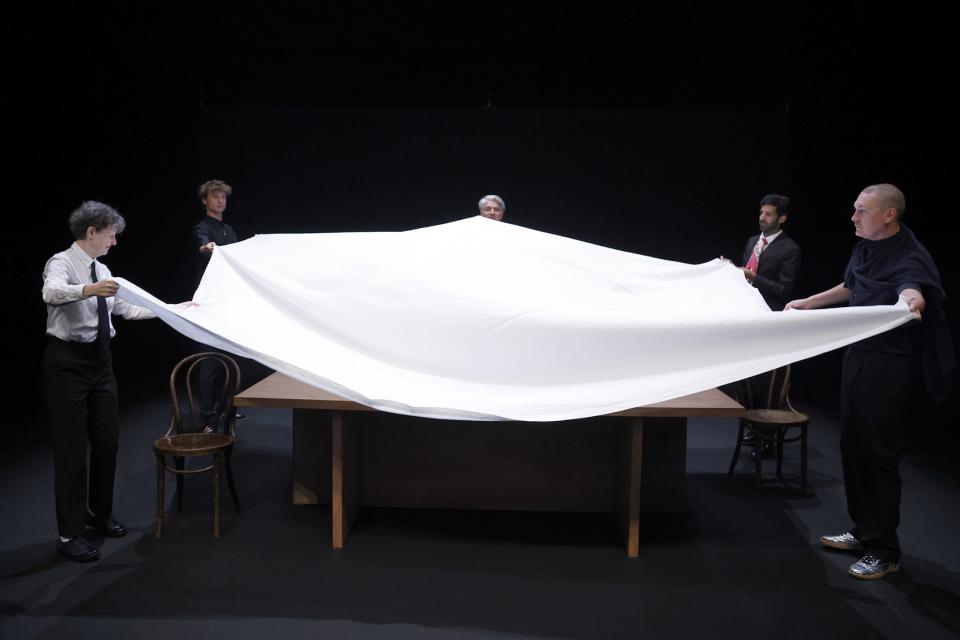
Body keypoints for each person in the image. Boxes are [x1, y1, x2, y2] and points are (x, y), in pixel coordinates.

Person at [785, 184, 953, 580]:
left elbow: (912, 288)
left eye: (862, 211)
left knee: (879, 452)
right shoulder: (865, 246)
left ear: (888, 215)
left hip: (889, 366)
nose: (854, 217)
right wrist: (810, 302)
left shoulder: (909, 253)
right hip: (858, 357)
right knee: (853, 444)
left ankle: (884, 549)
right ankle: (863, 532)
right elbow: (852, 285)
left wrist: (913, 301)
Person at [42, 201, 157, 562]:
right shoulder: (60, 262)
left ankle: (99, 514)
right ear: (92, 232)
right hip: (67, 365)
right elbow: (51, 294)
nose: (114, 242)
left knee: (107, 442)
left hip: (100, 364)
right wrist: (89, 291)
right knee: (72, 452)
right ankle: (69, 534)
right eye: (111, 235)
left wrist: (174, 311)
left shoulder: (102, 268)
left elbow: (125, 309)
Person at [191, 179, 243, 428]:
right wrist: (207, 247)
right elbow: (202, 244)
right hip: (210, 303)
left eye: (223, 197)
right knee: (209, 360)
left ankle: (228, 408)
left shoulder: (229, 230)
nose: (220, 200)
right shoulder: (202, 228)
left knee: (231, 359)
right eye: (215, 196)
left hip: (229, 301)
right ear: (205, 200)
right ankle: (207, 417)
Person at [739, 194, 801, 311]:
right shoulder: (752, 241)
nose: (761, 218)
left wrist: (754, 277)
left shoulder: (790, 249)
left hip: (768, 311)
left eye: (768, 214)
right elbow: (744, 273)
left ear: (781, 219)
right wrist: (731, 267)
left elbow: (785, 291)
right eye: (761, 213)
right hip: (744, 305)